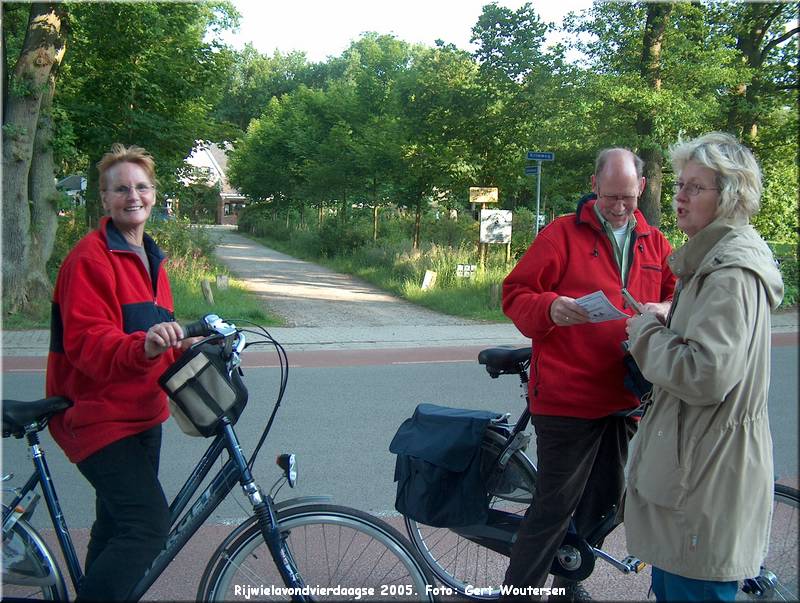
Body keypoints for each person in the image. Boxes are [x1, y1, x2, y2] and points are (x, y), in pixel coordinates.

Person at [501, 148, 676, 601]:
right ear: (595, 185)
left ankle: (569, 583)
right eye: (611, 195)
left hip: (624, 395)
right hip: (566, 397)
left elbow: (682, 299)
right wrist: (551, 307)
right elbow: (516, 293)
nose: (619, 205)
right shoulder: (561, 234)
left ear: (641, 188)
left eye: (628, 197)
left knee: (603, 504)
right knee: (554, 507)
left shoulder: (655, 243)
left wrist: (665, 308)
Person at [623, 132, 784, 601]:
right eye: (680, 184)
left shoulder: (729, 273)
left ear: (730, 196)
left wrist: (644, 333)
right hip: (695, 473)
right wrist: (668, 317)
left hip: (706, 478)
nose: (679, 196)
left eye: (696, 187)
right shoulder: (712, 261)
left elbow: (704, 374)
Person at [47, 143, 191, 601]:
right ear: (105, 200)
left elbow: (155, 337)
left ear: (154, 195)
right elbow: (88, 344)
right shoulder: (89, 260)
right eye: (121, 188)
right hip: (99, 419)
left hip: (145, 416)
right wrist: (143, 344)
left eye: (142, 187)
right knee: (148, 526)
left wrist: (187, 346)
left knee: (114, 529)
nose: (134, 196)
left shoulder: (152, 258)